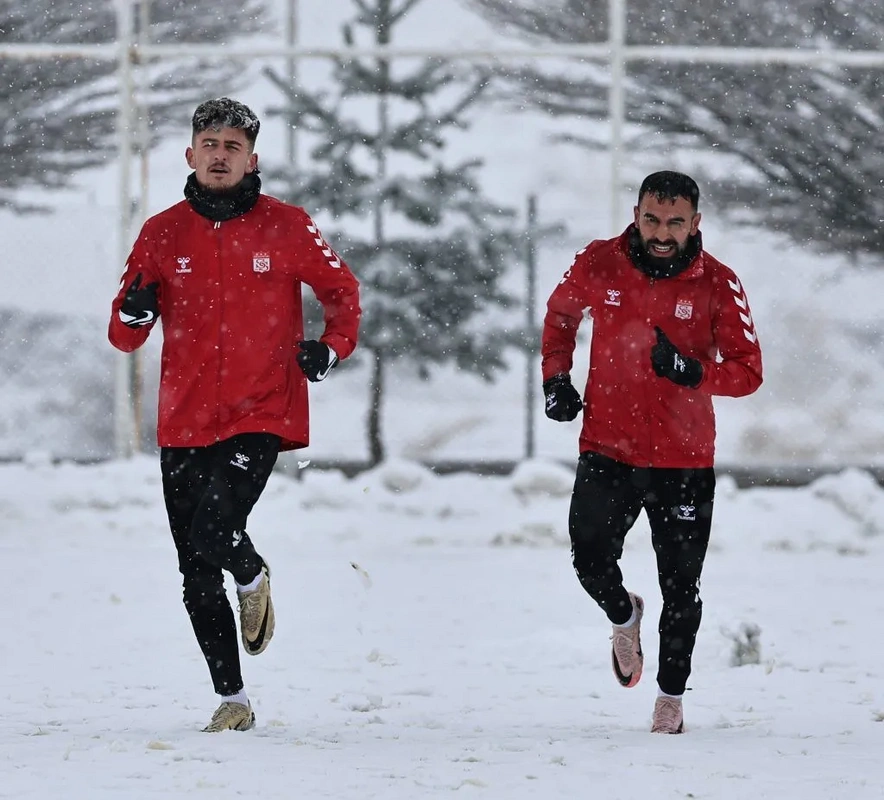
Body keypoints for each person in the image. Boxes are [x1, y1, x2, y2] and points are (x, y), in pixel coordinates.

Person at [108, 98, 361, 732]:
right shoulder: (162, 233)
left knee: (214, 534)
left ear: (253, 159)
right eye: (209, 144)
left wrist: (330, 348)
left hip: (261, 410)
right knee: (194, 570)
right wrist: (136, 311)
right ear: (189, 155)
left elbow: (343, 294)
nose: (220, 155)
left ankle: (251, 574)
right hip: (183, 417)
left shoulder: (289, 225)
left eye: (233, 146)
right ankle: (233, 700)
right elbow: (124, 334)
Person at [541, 171, 762, 734]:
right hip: (608, 448)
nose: (662, 233)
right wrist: (556, 379)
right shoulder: (599, 261)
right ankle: (623, 615)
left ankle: (669, 700)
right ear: (636, 214)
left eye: (675, 223)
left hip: (683, 461)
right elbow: (561, 316)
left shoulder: (719, 283)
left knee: (681, 588)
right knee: (588, 557)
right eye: (651, 220)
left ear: (695, 223)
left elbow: (748, 372)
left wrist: (691, 372)